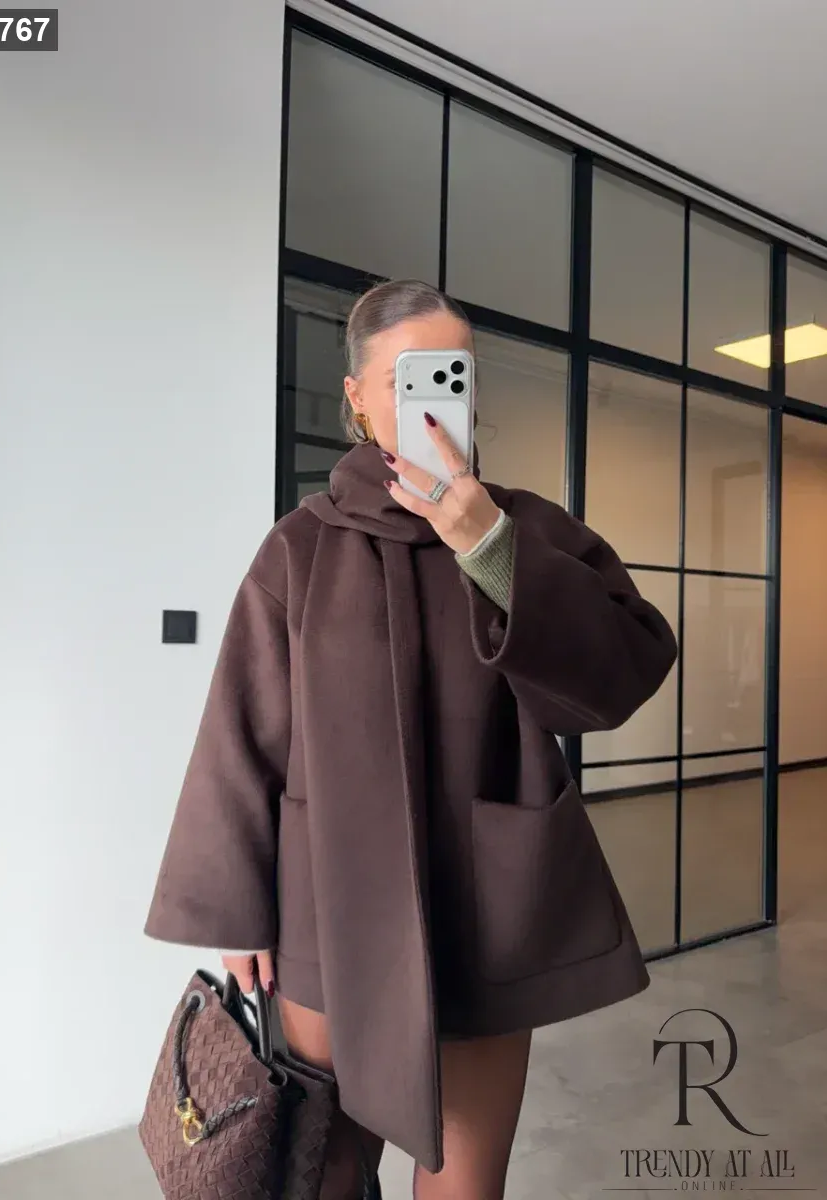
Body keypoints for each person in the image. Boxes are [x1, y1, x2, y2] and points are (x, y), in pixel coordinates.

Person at [145, 279, 678, 1200]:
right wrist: (235, 911)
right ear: (357, 397)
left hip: (488, 912)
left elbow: (622, 673)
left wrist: (489, 546)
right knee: (319, 1176)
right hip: (326, 911)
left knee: (465, 1188)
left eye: (454, 375)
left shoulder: (526, 527)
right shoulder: (300, 549)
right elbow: (242, 728)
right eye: (410, 379)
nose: (436, 400)